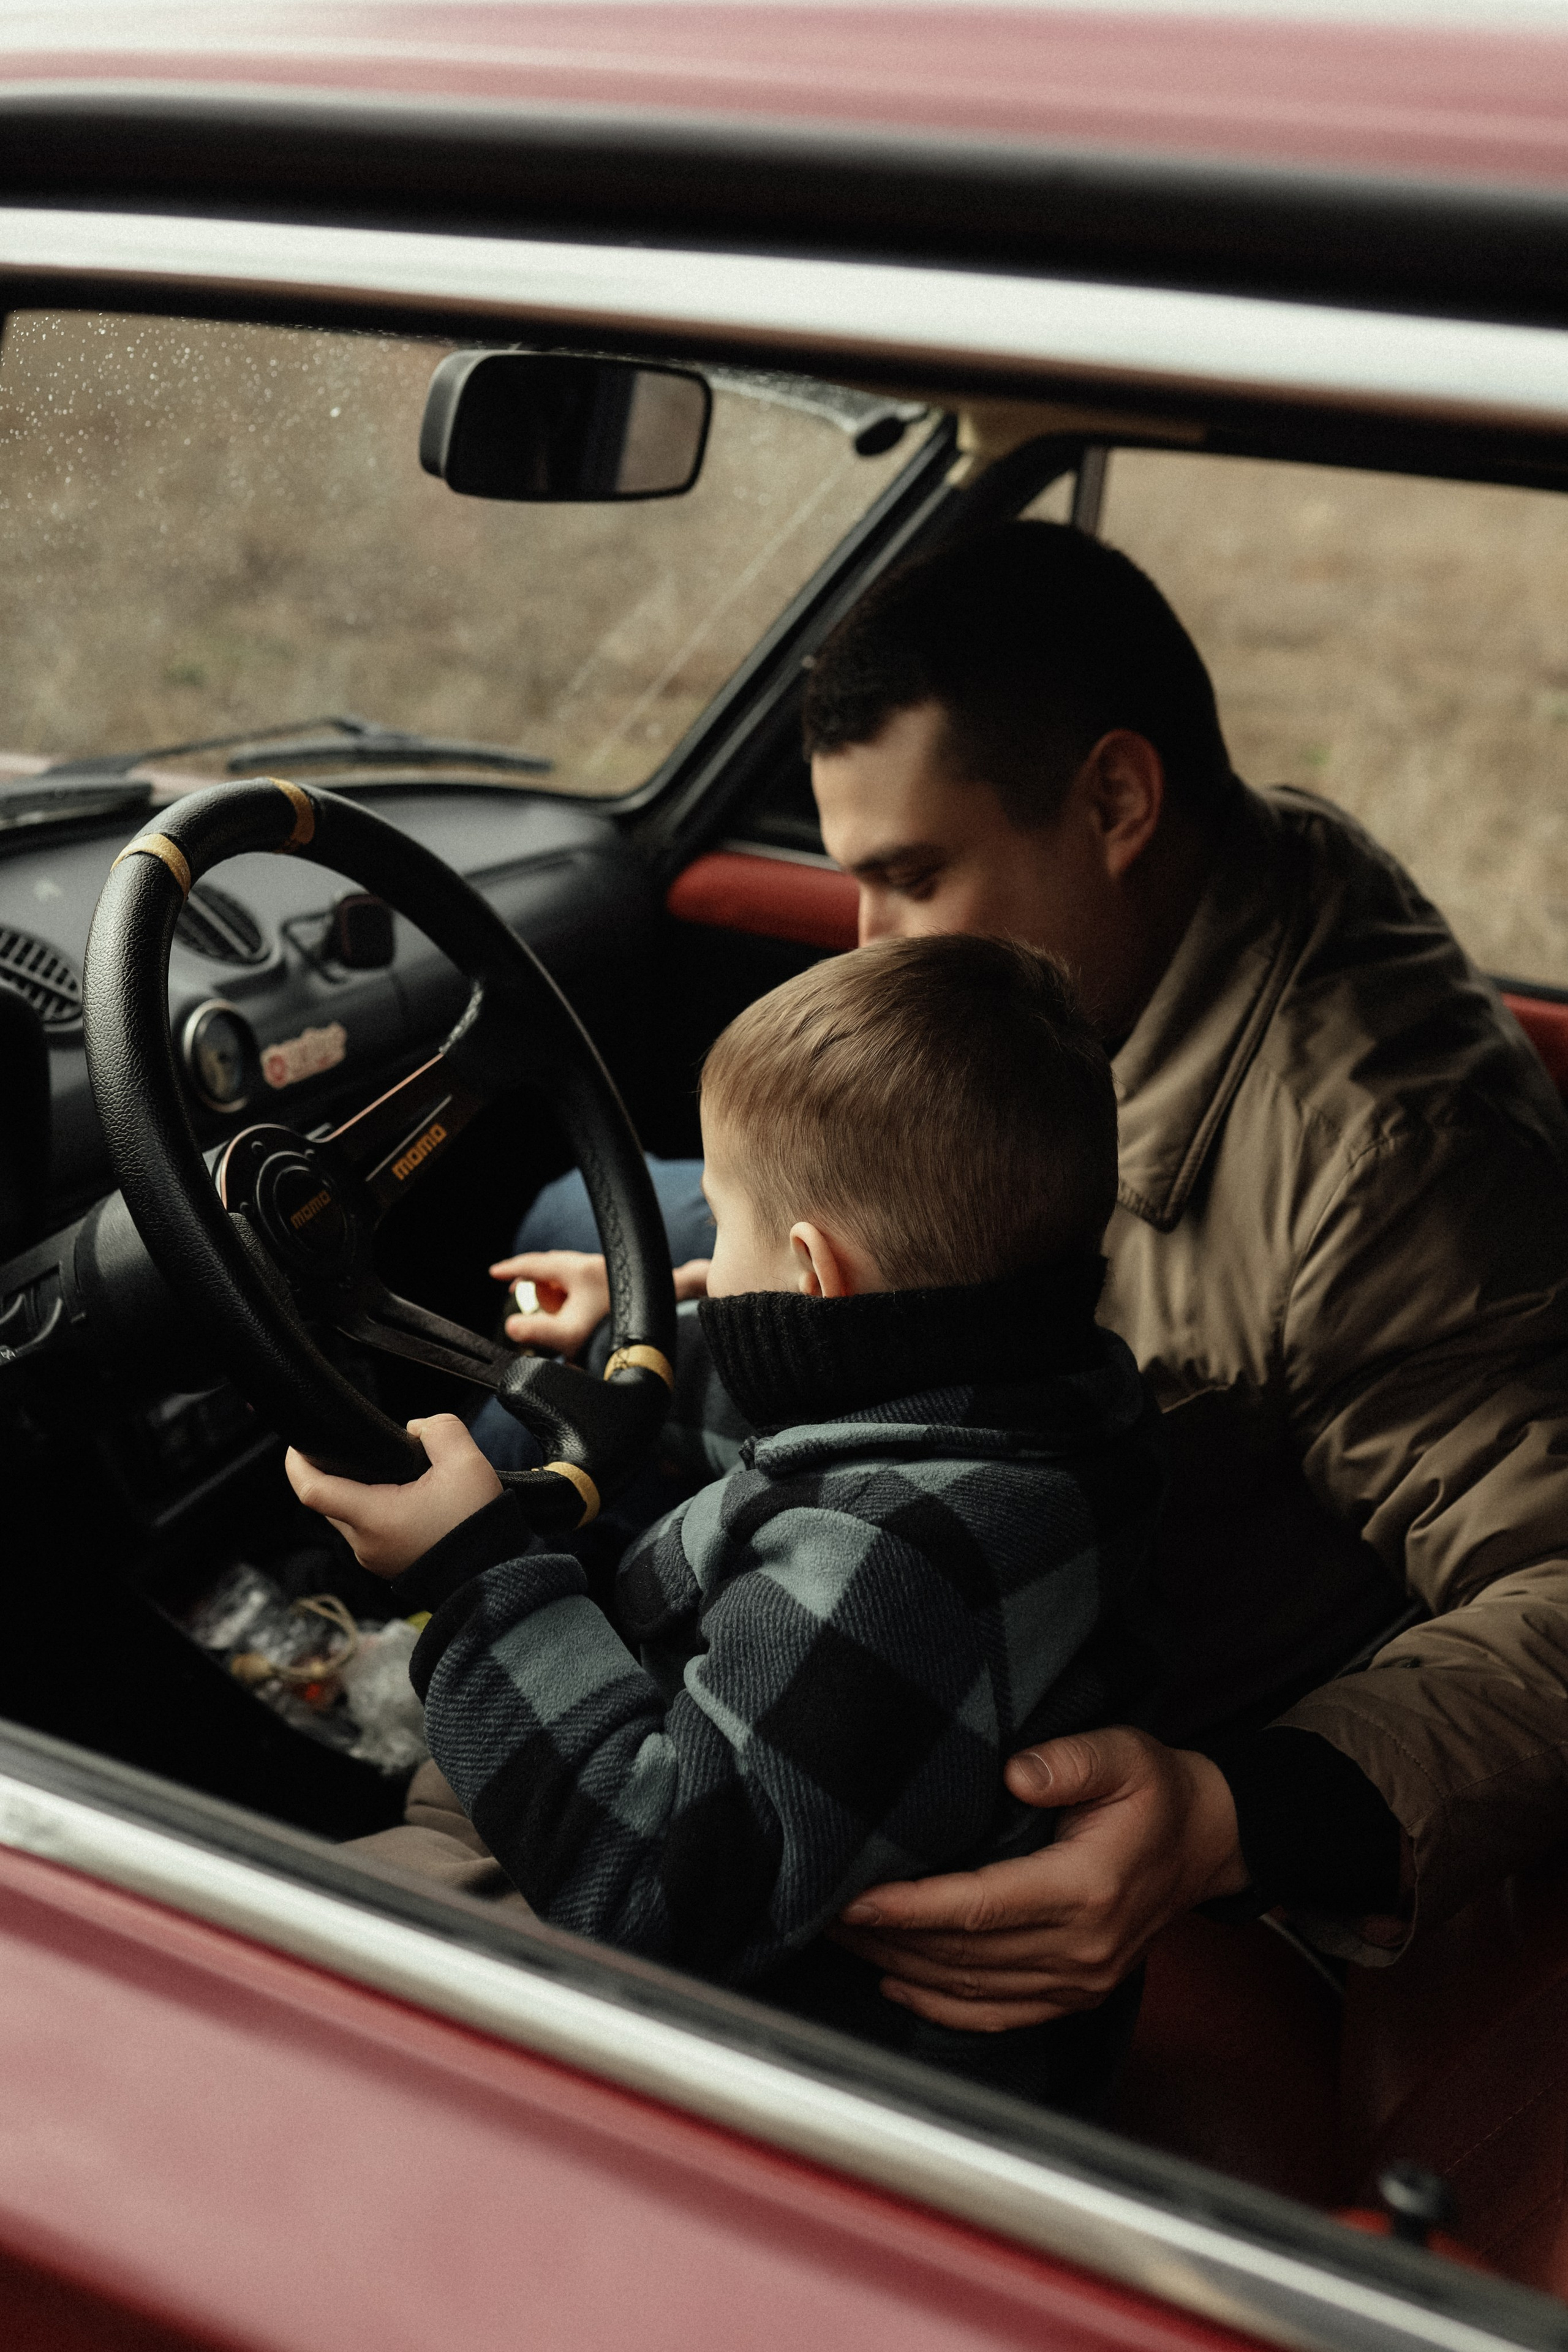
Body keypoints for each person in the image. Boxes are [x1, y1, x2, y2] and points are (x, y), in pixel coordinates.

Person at [466, 517, 1568, 2041]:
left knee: (579, 1335)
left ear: (1116, 798)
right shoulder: (1188, 900)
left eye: (911, 877)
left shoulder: (1384, 1173)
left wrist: (1229, 1812)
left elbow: (1553, 1584)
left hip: (1023, 1658)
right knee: (601, 1236)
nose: (861, 947)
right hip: (973, 1431)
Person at [290, 935, 1170, 2110]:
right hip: (776, 1851)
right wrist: (632, 1341)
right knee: (457, 1774)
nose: (708, 1254)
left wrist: (476, 1574)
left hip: (810, 2044)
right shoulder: (1056, 1401)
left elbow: (648, 1897)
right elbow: (833, 1419)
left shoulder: (881, 1566)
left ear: (811, 1273)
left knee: (286, 1944)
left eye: (721, 1223)